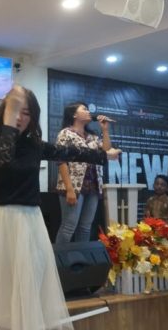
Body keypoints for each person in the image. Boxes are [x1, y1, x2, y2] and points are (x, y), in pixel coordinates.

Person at [0, 86, 121, 330]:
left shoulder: (34, 145)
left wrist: (104, 155)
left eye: (26, 113)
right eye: (15, 111)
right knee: (0, 280)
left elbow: (70, 152)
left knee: (30, 278)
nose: (19, 117)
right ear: (4, 113)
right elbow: (3, 158)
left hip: (28, 218)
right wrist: (10, 119)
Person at [54, 102, 113, 243]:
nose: (88, 112)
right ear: (74, 114)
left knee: (85, 227)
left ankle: (81, 256)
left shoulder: (92, 136)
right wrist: (69, 190)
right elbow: (61, 161)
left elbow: (106, 150)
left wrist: (105, 130)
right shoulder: (65, 133)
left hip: (93, 186)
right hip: (73, 186)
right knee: (68, 226)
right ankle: (59, 256)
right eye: (84, 109)